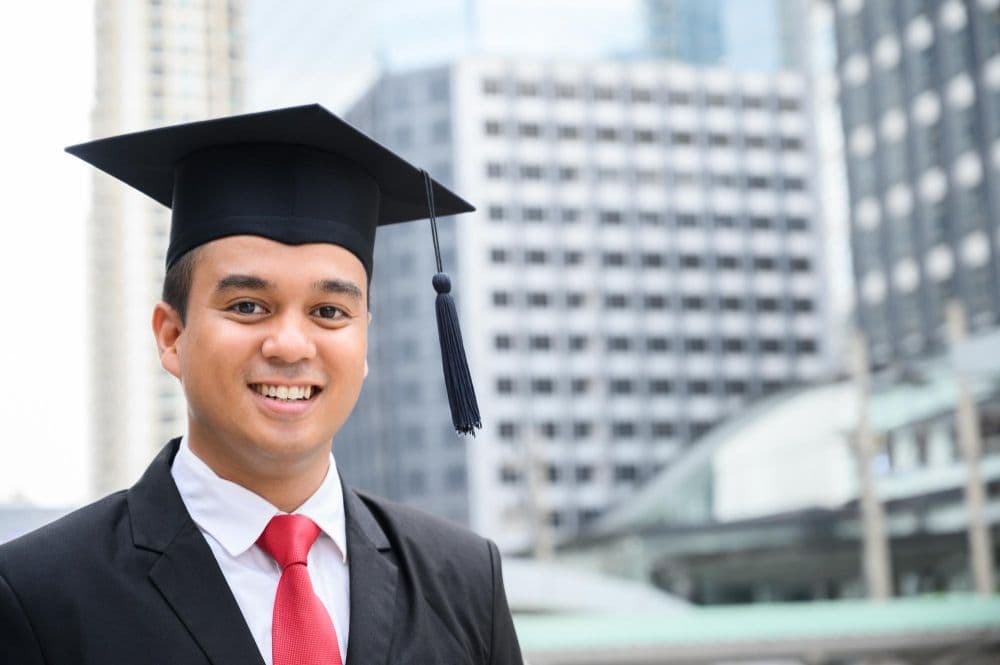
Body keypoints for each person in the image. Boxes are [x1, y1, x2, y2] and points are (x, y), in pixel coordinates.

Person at [0, 104, 523, 665]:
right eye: (248, 306)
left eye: (328, 312)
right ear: (172, 337)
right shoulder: (39, 596)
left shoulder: (465, 580)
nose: (291, 346)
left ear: (365, 339)